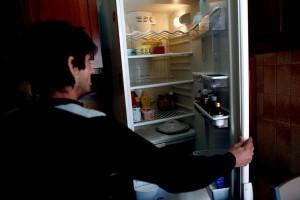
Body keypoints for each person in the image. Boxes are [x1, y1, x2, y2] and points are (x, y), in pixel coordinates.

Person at [1, 20, 254, 199]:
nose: (91, 69)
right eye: (88, 61)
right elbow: (172, 174)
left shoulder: (12, 120)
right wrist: (231, 159)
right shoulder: (92, 125)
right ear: (71, 65)